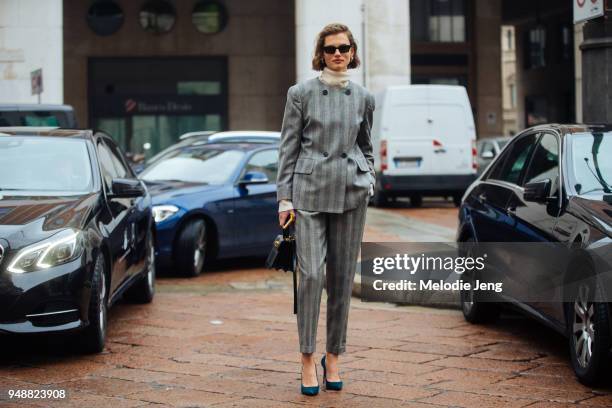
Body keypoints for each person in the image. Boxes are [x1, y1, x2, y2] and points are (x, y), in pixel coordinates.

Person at [276, 22, 375, 396]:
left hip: (351, 193)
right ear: (321, 52)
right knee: (312, 276)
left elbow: (366, 145)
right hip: (309, 193)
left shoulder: (364, 97)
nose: (338, 53)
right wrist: (284, 198)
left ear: (352, 52)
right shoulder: (300, 93)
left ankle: (333, 355)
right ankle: (306, 356)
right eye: (331, 48)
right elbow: (288, 149)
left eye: (344, 48)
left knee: (341, 280)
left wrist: (370, 177)